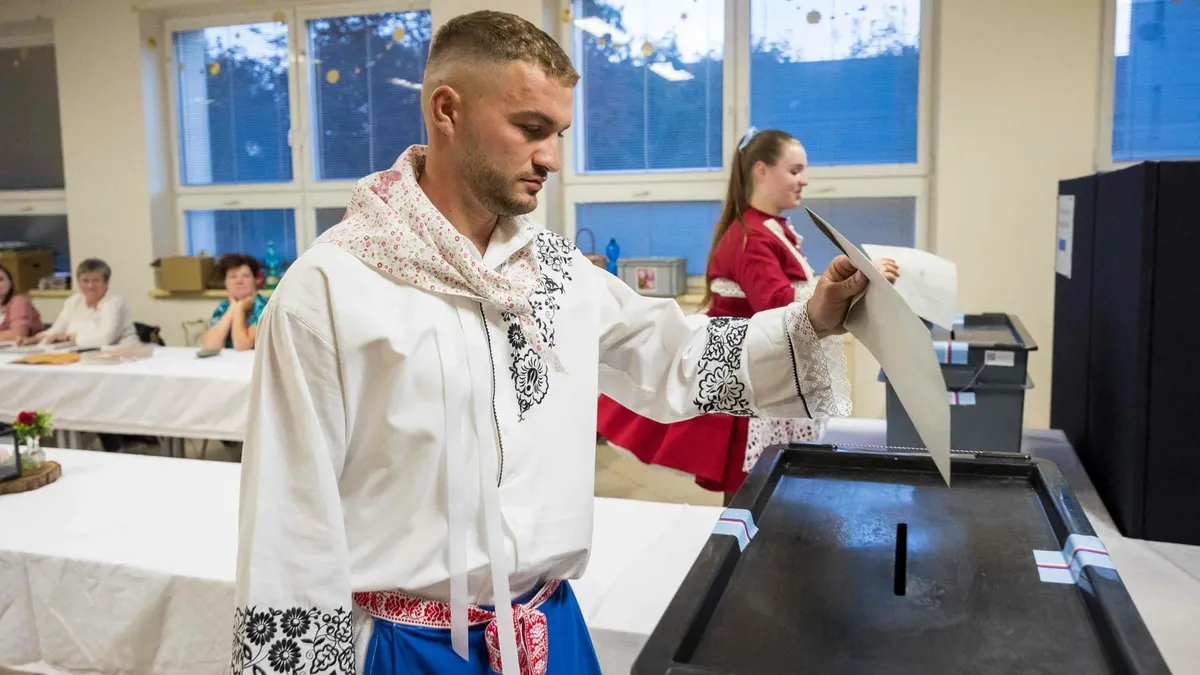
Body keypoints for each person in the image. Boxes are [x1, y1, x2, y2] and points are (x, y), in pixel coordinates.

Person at [232, 12, 871, 675]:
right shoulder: (331, 288)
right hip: (410, 648)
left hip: (550, 629)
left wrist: (813, 319)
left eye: (558, 134)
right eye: (531, 128)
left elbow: (675, 356)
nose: (552, 159)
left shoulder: (558, 273)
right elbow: (290, 520)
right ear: (447, 110)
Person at [596, 128, 899, 504]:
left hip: (757, 375)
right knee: (751, 492)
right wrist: (856, 278)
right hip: (747, 385)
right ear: (761, 170)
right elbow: (779, 304)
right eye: (795, 170)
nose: (804, 180)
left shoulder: (767, 230)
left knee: (756, 492)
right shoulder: (751, 236)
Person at [30, 258, 138, 348]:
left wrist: (69, 337)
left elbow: (106, 339)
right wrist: (33, 339)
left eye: (96, 281)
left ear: (106, 283)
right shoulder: (73, 302)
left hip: (121, 354)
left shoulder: (115, 302)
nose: (90, 286)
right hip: (81, 353)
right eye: (85, 281)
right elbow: (57, 330)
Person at [201, 253, 268, 351]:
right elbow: (210, 346)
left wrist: (239, 309)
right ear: (225, 283)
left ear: (255, 280)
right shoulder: (224, 306)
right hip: (230, 360)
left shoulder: (266, 306)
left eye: (245, 276)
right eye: (233, 277)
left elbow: (242, 345)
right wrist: (233, 307)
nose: (239, 281)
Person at [0, 262, 45, 342]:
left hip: (25, 348)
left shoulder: (19, 302)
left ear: (10, 282)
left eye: (0, 279)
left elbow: (18, 334)